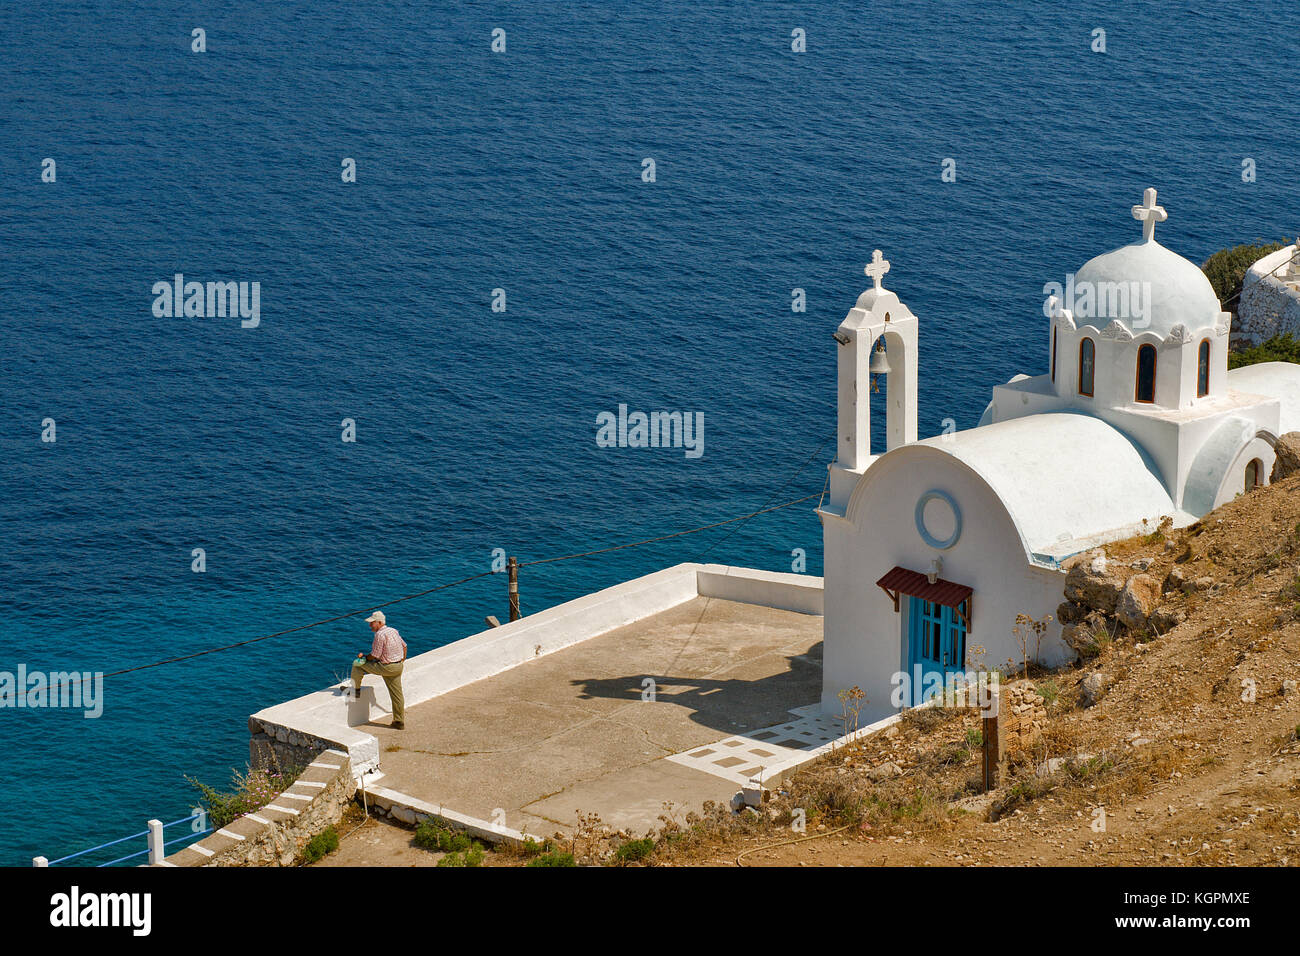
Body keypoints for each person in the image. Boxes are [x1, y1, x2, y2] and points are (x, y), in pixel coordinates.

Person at [352, 611, 407, 729]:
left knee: (357, 665)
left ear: (380, 622)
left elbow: (375, 655)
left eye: (372, 623)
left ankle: (355, 690)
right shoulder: (393, 630)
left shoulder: (379, 635)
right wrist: (401, 661)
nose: (370, 625)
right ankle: (399, 721)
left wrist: (363, 657)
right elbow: (404, 646)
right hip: (397, 666)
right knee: (397, 695)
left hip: (386, 667)